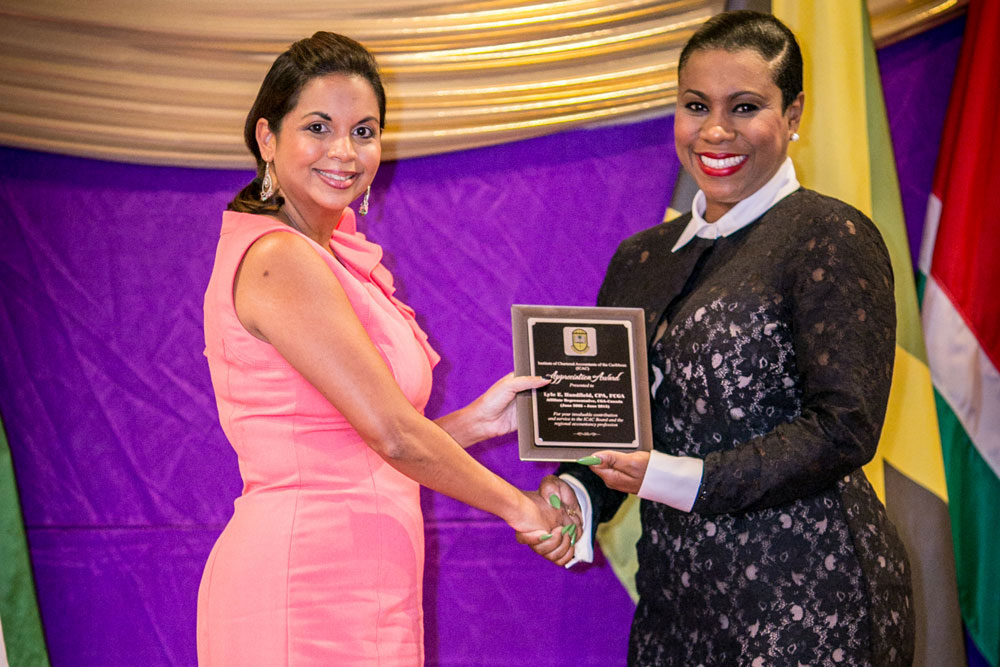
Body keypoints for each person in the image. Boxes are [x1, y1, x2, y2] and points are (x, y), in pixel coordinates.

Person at [520, 10, 915, 666]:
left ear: (793, 113)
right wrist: (579, 493)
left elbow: (844, 427)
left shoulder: (829, 235)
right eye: (696, 105)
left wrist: (683, 477)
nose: (715, 130)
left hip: (809, 597)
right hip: (676, 601)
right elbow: (620, 423)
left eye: (745, 106)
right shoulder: (640, 259)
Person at [196, 32, 578, 666]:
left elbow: (361, 449)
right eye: (318, 127)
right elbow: (393, 437)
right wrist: (522, 508)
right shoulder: (279, 256)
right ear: (267, 137)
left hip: (361, 580)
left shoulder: (327, 254)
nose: (344, 152)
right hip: (305, 586)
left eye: (364, 132)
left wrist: (478, 422)